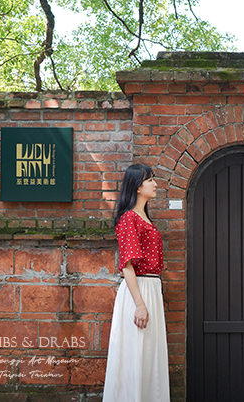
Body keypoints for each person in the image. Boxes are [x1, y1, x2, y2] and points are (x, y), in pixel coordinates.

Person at [103, 163, 169, 401]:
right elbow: (127, 266)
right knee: (136, 352)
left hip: (150, 287)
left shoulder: (144, 218)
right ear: (138, 186)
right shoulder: (129, 218)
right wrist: (140, 304)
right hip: (137, 291)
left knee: (149, 354)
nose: (155, 184)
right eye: (151, 180)